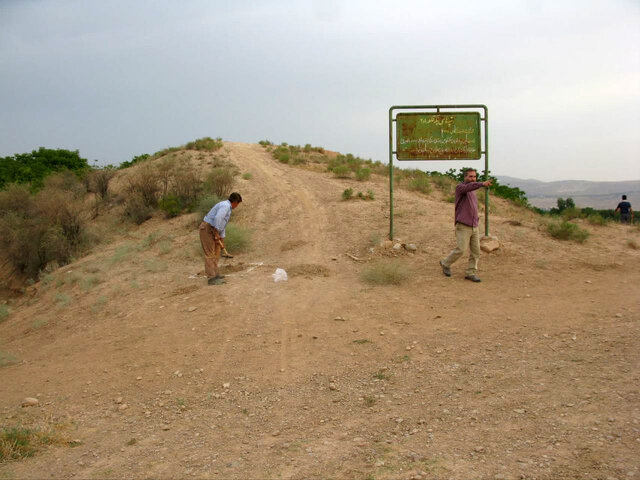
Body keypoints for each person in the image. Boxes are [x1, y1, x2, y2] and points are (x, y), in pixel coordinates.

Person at [439, 168, 492, 282]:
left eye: (474, 176)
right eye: (470, 176)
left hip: (474, 226)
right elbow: (469, 187)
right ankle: (445, 263)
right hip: (463, 225)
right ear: (465, 177)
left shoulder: (473, 190)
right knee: (461, 249)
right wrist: (482, 183)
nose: (473, 179)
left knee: (476, 251)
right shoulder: (461, 188)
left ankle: (471, 272)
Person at [199, 192, 242, 285]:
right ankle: (211, 278)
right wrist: (216, 232)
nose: (237, 206)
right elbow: (218, 218)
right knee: (210, 253)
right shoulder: (225, 206)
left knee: (216, 251)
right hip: (207, 229)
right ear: (235, 202)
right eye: (238, 204)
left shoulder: (228, 208)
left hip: (213, 229)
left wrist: (221, 238)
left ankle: (215, 274)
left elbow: (223, 224)